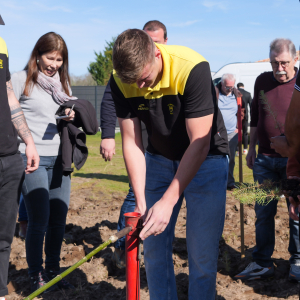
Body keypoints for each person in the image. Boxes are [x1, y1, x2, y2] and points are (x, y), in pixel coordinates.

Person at [111, 28, 229, 300]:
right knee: (153, 249)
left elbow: (199, 141)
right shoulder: (122, 80)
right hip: (159, 160)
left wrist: (167, 201)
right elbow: (131, 142)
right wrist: (141, 200)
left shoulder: (192, 68)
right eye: (133, 82)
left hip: (206, 161)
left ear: (155, 51)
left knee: (201, 251)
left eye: (144, 79)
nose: (140, 88)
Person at [11, 32, 77, 293]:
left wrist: (70, 115)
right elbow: (9, 116)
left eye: (60, 60)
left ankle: (53, 271)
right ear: (38, 55)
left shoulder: (62, 85)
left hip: (60, 159)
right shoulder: (19, 80)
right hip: (31, 158)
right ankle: (35, 274)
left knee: (58, 220)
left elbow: (62, 115)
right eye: (50, 58)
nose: (55, 64)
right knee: (39, 219)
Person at [100, 20, 168, 268]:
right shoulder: (124, 75)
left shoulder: (173, 69)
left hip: (166, 144)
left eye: (156, 42)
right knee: (136, 194)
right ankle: (122, 246)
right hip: (141, 142)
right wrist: (108, 134)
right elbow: (110, 102)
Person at [234, 38, 300, 282]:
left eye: (284, 63)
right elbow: (256, 118)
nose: (279, 69)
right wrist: (251, 148)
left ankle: (297, 261)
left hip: (294, 161)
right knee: (263, 212)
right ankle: (262, 262)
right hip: (264, 161)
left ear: (295, 59)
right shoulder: (262, 80)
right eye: (275, 63)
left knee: (296, 212)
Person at [0, 15, 39, 300]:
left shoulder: (1, 45)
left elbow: (9, 93)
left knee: (3, 237)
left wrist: (28, 140)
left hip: (9, 156)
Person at [215, 74, 243, 190]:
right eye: (227, 87)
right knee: (217, 158)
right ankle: (217, 182)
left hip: (232, 132)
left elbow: (241, 113)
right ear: (221, 83)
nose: (229, 89)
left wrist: (238, 127)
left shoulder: (237, 96)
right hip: (217, 133)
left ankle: (230, 182)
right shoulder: (214, 94)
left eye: (231, 87)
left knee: (231, 158)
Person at [237, 82, 252, 155]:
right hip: (245, 115)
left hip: (236, 115)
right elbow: (251, 105)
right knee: (245, 133)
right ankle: (245, 149)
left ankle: (238, 150)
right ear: (243, 86)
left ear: (237, 87)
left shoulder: (235, 94)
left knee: (237, 133)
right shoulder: (248, 94)